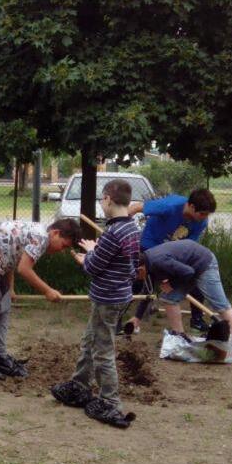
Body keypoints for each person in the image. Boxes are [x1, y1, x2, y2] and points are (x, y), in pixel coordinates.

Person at [51, 179, 141, 428]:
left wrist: (89, 254)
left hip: (107, 299)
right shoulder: (132, 228)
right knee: (90, 340)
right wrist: (97, 251)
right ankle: (79, 384)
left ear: (109, 199)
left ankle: (110, 401)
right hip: (118, 296)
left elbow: (92, 267)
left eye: (102, 200)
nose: (102, 205)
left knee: (103, 351)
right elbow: (131, 266)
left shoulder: (113, 233)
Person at [0, 218, 82, 384]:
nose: (62, 250)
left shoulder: (39, 234)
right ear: (56, 233)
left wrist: (11, 287)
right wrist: (48, 291)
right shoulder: (41, 237)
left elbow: (11, 255)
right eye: (64, 245)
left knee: (3, 309)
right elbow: (24, 269)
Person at [141, 239, 232, 364]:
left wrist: (171, 284)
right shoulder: (148, 261)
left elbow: (188, 272)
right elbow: (147, 294)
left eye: (135, 275)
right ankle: (180, 337)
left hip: (204, 264)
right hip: (190, 267)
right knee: (169, 299)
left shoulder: (157, 261)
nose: (136, 278)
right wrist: (137, 318)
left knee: (221, 306)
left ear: (140, 268)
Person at [123, 188, 217, 336]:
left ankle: (197, 320)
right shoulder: (170, 205)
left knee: (194, 280)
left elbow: (189, 245)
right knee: (145, 283)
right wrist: (120, 224)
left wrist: (174, 275)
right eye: (202, 214)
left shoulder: (201, 222)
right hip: (150, 245)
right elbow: (135, 208)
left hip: (172, 252)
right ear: (191, 206)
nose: (204, 218)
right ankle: (126, 319)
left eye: (206, 214)